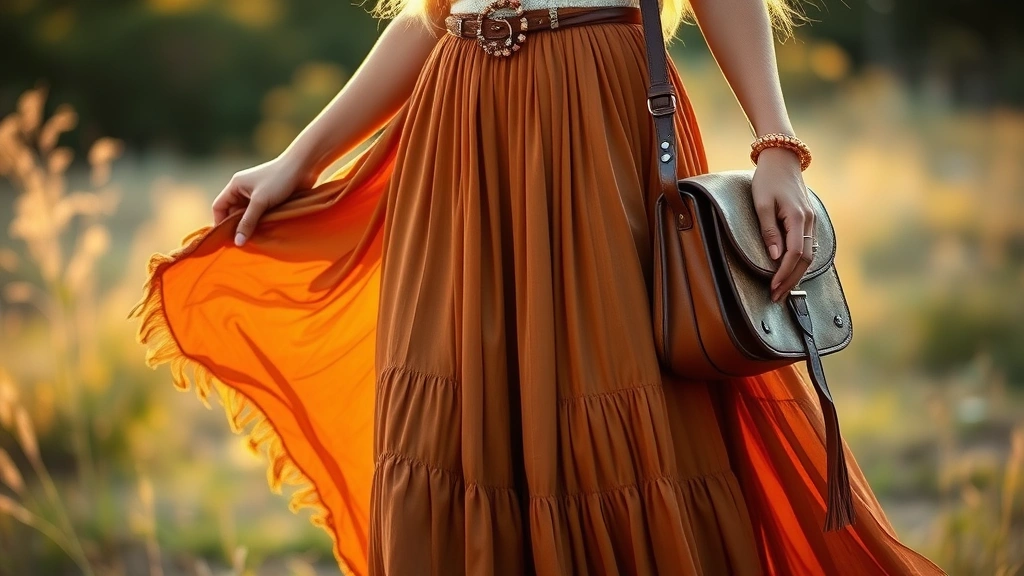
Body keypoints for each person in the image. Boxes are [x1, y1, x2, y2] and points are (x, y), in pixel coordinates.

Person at [129, 0, 946, 573]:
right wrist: (298, 158)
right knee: (458, 416)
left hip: (596, 113)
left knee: (616, 402)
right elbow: (432, 16)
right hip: (463, 126)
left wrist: (776, 143)